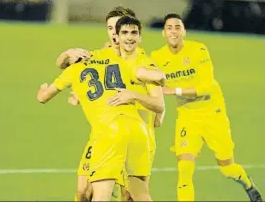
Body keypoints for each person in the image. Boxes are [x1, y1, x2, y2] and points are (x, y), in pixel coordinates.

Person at [37, 16, 166, 201]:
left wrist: (44, 88)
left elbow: (43, 97)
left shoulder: (74, 70)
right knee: (140, 196)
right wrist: (160, 79)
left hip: (109, 131)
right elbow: (154, 77)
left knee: (100, 196)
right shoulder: (120, 62)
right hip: (138, 130)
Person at [150, 13, 262, 202]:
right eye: (169, 28)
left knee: (227, 168)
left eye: (177, 27)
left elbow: (205, 87)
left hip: (213, 115)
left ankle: (247, 183)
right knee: (184, 171)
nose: (173, 31)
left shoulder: (198, 50)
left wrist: (173, 90)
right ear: (163, 33)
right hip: (187, 118)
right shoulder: (157, 57)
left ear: (184, 31)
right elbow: (137, 68)